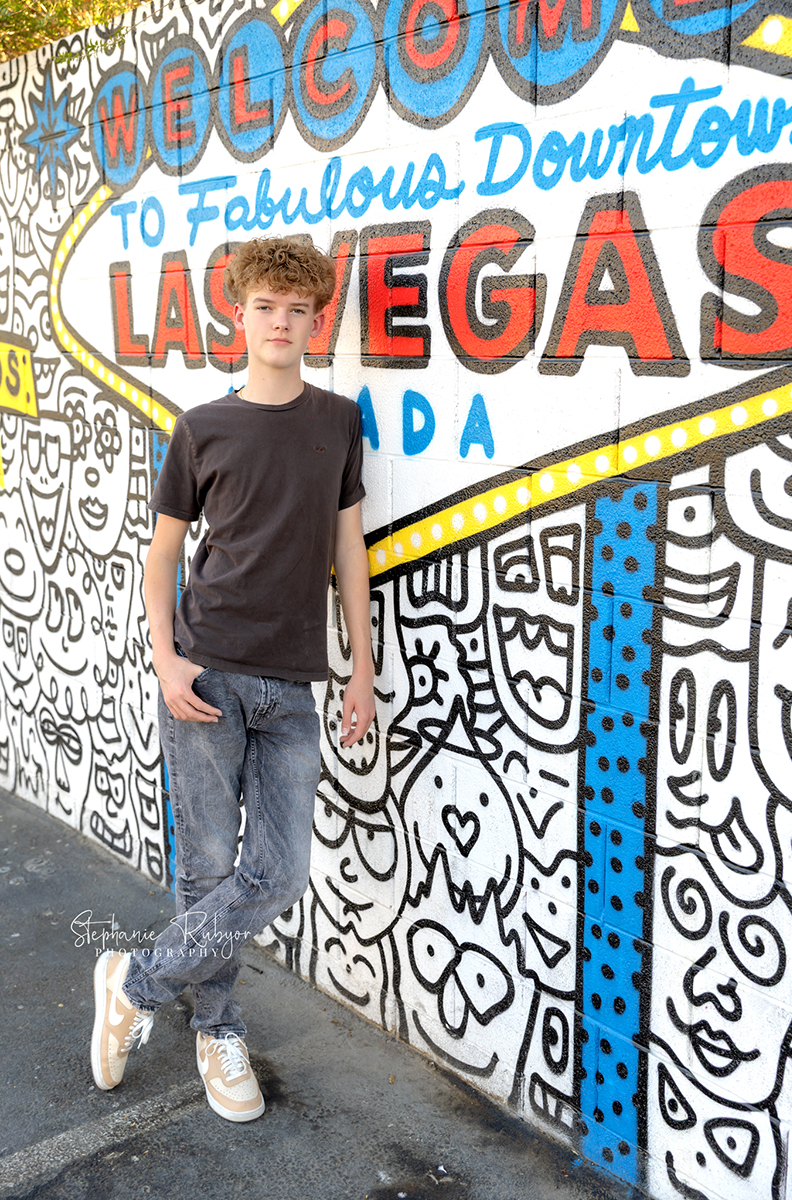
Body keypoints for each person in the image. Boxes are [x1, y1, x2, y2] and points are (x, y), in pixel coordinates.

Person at [90, 237, 375, 1122]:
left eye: (298, 310)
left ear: (315, 322)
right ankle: (218, 1030)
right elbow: (163, 556)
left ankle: (134, 984)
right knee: (210, 868)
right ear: (240, 315)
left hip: (294, 686)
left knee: (279, 873)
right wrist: (166, 657)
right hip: (207, 673)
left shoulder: (338, 422)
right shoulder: (203, 427)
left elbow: (349, 550)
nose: (281, 322)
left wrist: (361, 668)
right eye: (265, 308)